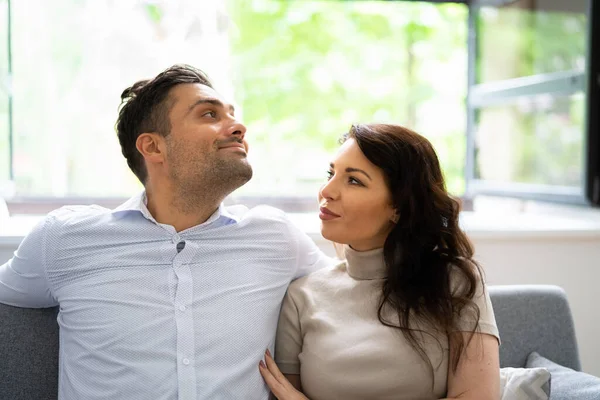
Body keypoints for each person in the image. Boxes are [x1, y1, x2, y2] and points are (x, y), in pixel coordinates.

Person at [0, 64, 332, 400]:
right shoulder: (64, 240)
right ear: (153, 147)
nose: (238, 127)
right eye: (209, 114)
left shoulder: (274, 236)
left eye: (232, 114)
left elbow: (353, 290)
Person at [259, 123, 501, 400]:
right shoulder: (301, 296)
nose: (326, 191)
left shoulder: (454, 280)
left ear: (399, 207)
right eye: (331, 174)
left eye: (354, 180)